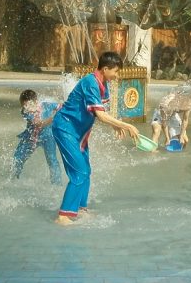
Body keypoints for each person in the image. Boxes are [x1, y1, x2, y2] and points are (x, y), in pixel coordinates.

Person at [51, 51, 140, 225]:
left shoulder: (103, 85)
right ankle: (63, 216)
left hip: (79, 132)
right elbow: (100, 115)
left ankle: (80, 209)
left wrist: (114, 124)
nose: (117, 75)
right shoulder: (90, 82)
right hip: (65, 128)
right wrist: (126, 125)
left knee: (86, 171)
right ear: (105, 69)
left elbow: (101, 112)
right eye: (116, 71)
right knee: (79, 172)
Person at [11, 89, 62, 185]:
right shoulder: (25, 112)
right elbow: (39, 124)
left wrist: (60, 111)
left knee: (52, 160)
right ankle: (13, 178)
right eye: (23, 105)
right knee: (18, 157)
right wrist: (54, 118)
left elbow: (61, 107)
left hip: (48, 136)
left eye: (28, 105)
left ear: (36, 102)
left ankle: (57, 184)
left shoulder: (46, 105)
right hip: (31, 137)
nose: (26, 108)